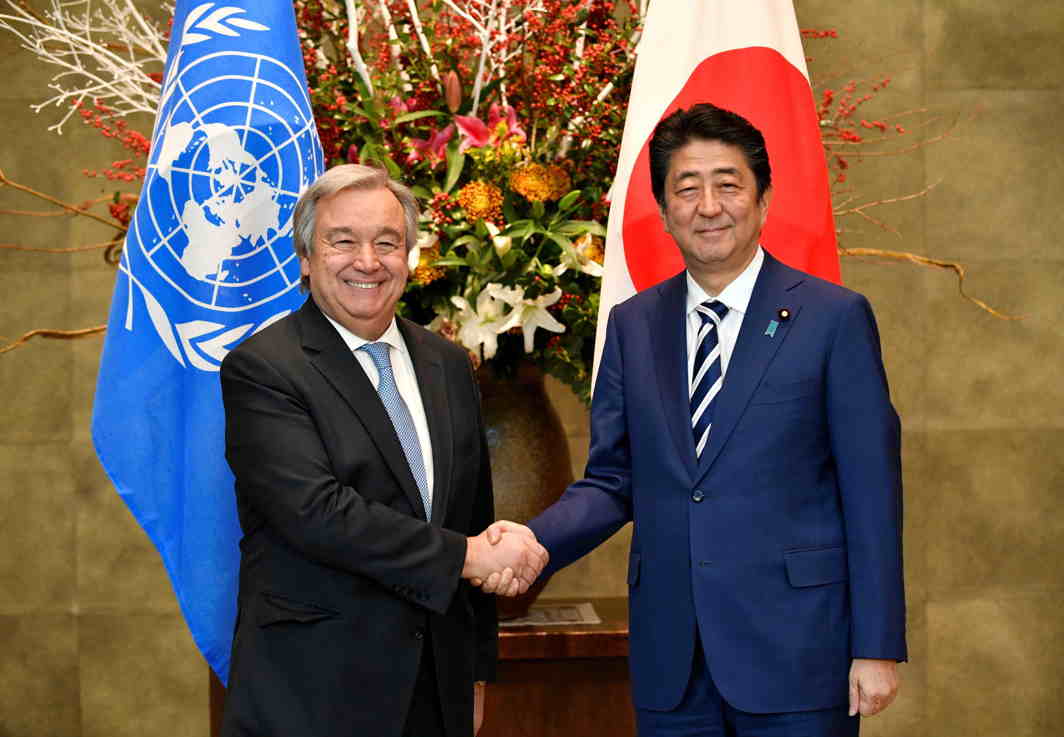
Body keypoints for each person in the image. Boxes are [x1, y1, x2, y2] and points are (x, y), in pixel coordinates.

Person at [490, 103, 907, 736]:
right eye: (686, 188)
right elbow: (613, 479)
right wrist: (533, 541)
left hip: (798, 653)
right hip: (673, 660)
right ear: (662, 209)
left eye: (728, 183)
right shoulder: (633, 326)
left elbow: (872, 493)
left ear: (763, 199)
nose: (708, 205)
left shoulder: (833, 319)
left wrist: (876, 644)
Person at [219, 164, 547, 737]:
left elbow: (471, 511)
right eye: (342, 241)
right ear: (306, 257)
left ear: (409, 257)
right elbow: (316, 513)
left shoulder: (447, 363)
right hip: (314, 692)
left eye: (387, 243)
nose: (367, 261)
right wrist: (470, 557)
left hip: (433, 691)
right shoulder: (264, 369)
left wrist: (473, 672)